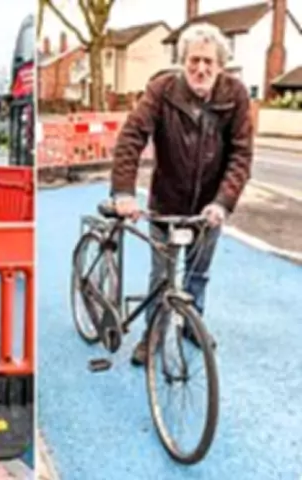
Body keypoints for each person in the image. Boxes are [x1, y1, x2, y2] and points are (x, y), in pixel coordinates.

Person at [108, 22, 253, 366]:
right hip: (166, 202)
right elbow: (131, 138)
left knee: (197, 275)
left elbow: (241, 154)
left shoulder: (235, 96)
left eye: (208, 62)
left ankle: (191, 324)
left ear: (220, 65)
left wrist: (222, 202)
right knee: (161, 276)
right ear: (183, 61)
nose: (200, 69)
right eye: (194, 61)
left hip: (209, 207)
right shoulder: (162, 90)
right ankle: (153, 333)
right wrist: (124, 193)